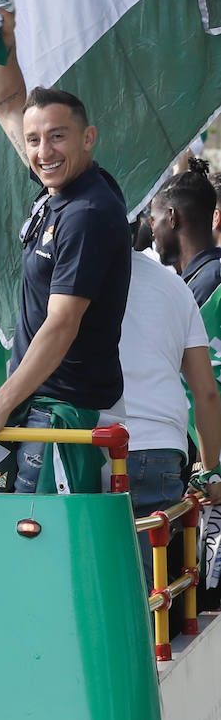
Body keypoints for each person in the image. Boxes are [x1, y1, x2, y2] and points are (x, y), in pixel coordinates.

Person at [0, 0, 131, 493]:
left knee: (48, 554)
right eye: (34, 140)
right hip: (39, 405)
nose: (42, 151)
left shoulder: (88, 212)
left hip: (67, 413)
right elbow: (9, 100)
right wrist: (2, 42)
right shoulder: (58, 187)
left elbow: (61, 325)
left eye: (57, 137)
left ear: (88, 138)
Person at [119, 247, 221, 584]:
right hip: (162, 446)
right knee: (150, 586)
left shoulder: (72, 274)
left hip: (94, 440)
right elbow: (206, 392)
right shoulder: (174, 285)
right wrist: (211, 469)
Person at [149, 158, 221, 307]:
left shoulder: (208, 285)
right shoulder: (201, 278)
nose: (152, 231)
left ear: (172, 218)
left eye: (154, 220)